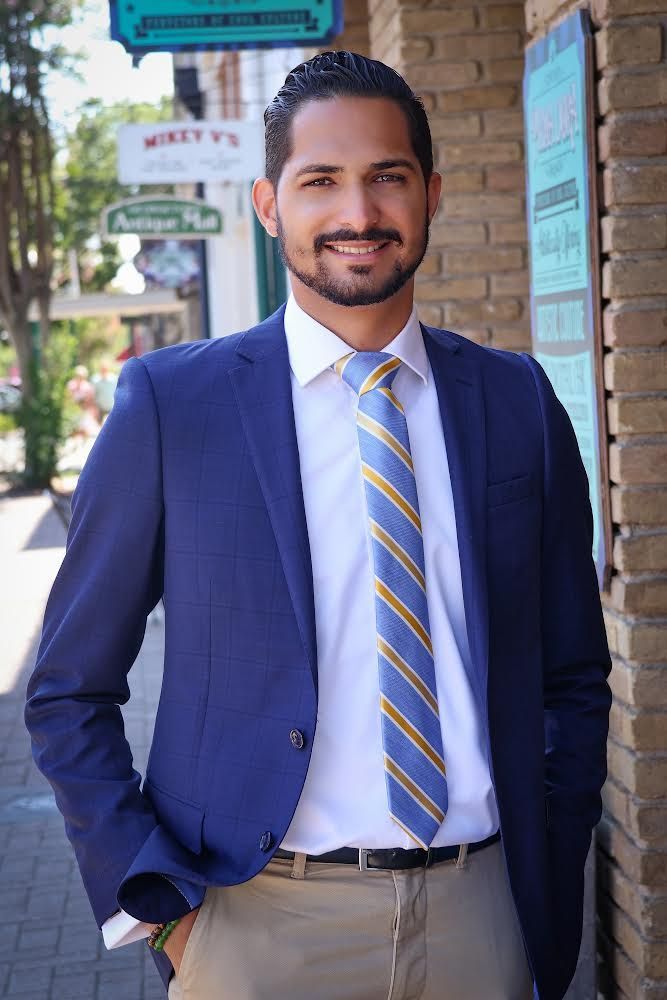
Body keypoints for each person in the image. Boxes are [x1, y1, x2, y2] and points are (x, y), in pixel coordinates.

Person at [25, 51, 611, 1000]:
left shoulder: (515, 401)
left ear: (431, 195)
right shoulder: (174, 406)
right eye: (320, 182)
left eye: (387, 177)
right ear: (269, 204)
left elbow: (573, 671)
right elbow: (66, 687)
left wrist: (549, 845)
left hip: (482, 915)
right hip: (254, 925)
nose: (358, 213)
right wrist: (158, 909)